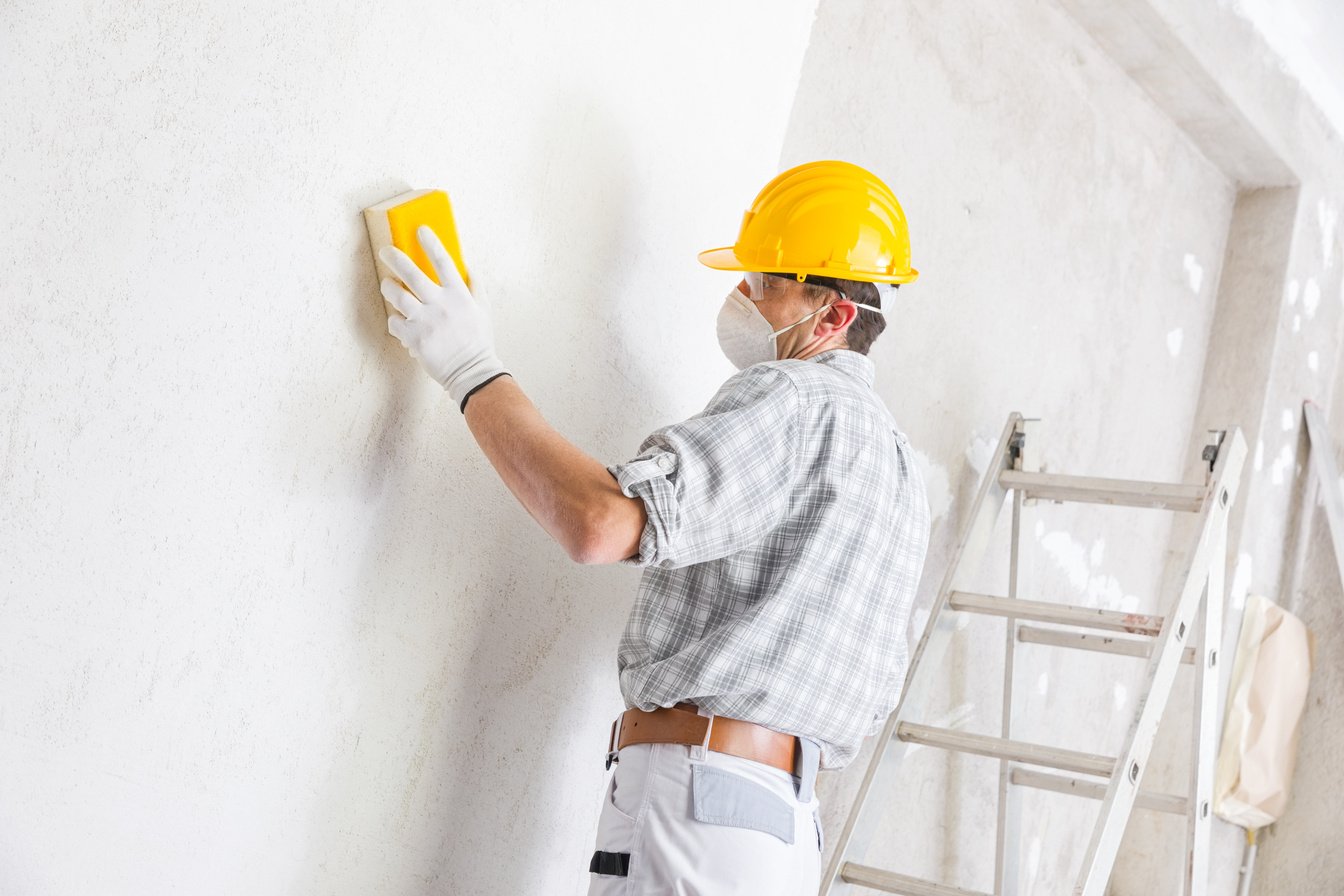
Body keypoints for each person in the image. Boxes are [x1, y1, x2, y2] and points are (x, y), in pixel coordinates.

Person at [377, 159, 932, 895]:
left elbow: (600, 523)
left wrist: (469, 367)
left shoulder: (796, 399)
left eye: (765, 283)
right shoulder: (901, 470)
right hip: (784, 835)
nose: (742, 296)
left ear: (833, 317)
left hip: (705, 804)